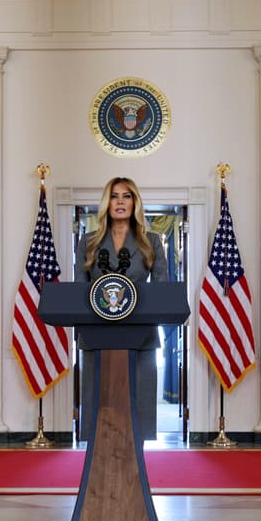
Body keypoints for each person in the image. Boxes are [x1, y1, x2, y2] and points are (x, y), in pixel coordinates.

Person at [78, 177, 168, 441]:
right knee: (99, 422)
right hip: (97, 337)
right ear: (107, 203)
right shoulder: (89, 241)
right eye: (115, 196)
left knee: (136, 419)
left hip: (140, 338)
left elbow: (163, 289)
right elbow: (78, 291)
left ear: (135, 202)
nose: (120, 202)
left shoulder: (151, 241)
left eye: (126, 196)